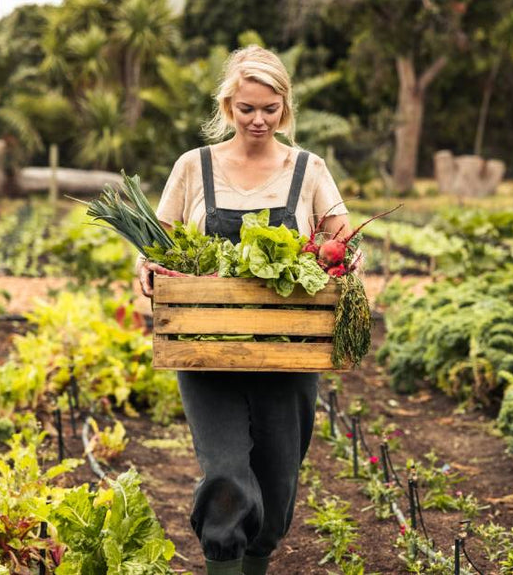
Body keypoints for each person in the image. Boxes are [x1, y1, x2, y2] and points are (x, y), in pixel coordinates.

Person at [134, 45, 357, 575]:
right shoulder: (194, 167)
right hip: (208, 349)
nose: (258, 120)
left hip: (288, 352)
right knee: (227, 477)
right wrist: (146, 267)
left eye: (270, 109)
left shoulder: (308, 169)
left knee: (278, 487)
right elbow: (158, 245)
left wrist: (343, 260)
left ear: (285, 107)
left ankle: (257, 560)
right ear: (228, 106)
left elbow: (340, 238)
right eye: (246, 109)